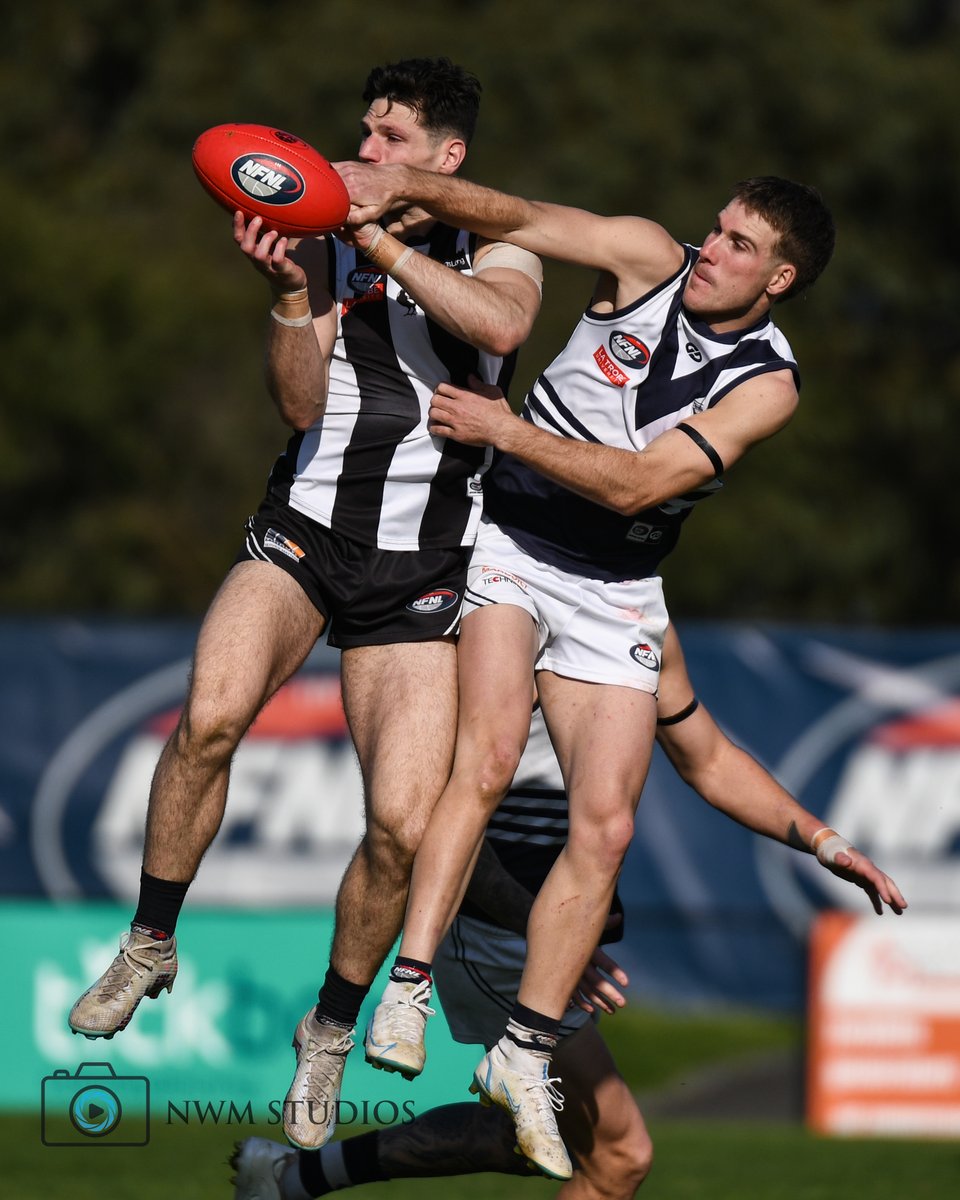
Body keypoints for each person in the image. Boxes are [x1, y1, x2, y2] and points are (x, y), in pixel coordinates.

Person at [66, 57, 543, 1154]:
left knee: (400, 826)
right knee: (210, 715)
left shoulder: (501, 240)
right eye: (365, 131)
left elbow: (499, 328)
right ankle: (149, 942)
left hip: (424, 566)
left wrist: (377, 236)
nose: (366, 150)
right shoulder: (323, 235)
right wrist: (293, 291)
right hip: (306, 530)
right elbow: (298, 401)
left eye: (391, 137)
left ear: (447, 156)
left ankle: (328, 1029)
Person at [334, 161, 838, 1176]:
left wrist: (823, 840)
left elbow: (643, 486)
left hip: (616, 584)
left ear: (779, 280)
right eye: (717, 227)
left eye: (740, 245)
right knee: (485, 755)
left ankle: (518, 1053)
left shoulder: (769, 384)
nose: (711, 250)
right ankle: (406, 989)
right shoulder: (650, 258)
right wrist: (390, 187)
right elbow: (520, 215)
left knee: (607, 825)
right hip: (513, 541)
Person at [229, 623, 905, 1198]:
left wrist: (825, 841)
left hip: (540, 934)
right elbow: (439, 814)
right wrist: (552, 937)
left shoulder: (639, 613)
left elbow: (709, 759)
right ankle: (290, 1176)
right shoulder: (492, 615)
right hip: (494, 931)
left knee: (528, 1137)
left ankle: (289, 1178)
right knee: (618, 1158)